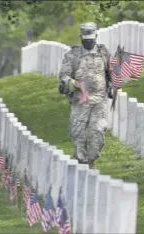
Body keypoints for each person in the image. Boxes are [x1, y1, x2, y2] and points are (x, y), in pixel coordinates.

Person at [58, 22, 112, 169]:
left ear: (96, 37)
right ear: (81, 38)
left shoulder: (103, 53)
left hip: (99, 101)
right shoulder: (73, 55)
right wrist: (75, 85)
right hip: (80, 101)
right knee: (78, 135)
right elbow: (64, 76)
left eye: (91, 39)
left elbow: (111, 72)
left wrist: (113, 83)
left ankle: (91, 160)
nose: (88, 41)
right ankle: (82, 165)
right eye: (85, 39)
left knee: (98, 132)